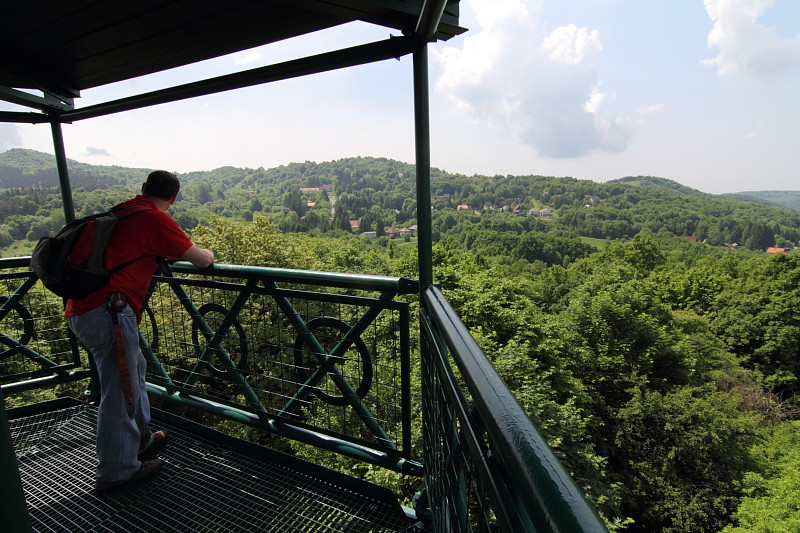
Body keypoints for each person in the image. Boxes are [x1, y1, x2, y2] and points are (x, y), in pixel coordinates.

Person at [65, 170, 214, 494]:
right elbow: (201, 260)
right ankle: (116, 470)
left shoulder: (122, 211)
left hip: (82, 309)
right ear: (173, 198)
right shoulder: (154, 220)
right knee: (120, 391)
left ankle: (140, 440)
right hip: (109, 313)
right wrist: (209, 254)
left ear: (144, 188)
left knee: (134, 372)